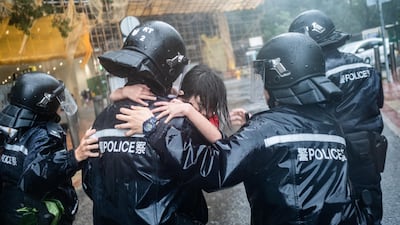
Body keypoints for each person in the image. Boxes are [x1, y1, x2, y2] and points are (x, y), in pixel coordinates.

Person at [116, 32, 364, 224]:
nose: (262, 88)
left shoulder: (264, 130)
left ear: (279, 80)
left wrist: (153, 127)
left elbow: (215, 169)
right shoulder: (332, 126)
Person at [80, 20, 219, 225]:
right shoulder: (177, 117)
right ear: (171, 70)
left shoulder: (101, 120)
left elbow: (90, 183)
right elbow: (212, 173)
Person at [288, 9, 387, 225]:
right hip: (368, 150)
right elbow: (378, 102)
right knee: (371, 207)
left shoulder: (314, 77)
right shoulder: (366, 66)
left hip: (330, 155)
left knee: (336, 211)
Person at [0, 72, 99, 225]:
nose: (60, 103)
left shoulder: (8, 130)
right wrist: (75, 157)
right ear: (45, 101)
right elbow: (34, 178)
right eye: (57, 98)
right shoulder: (45, 134)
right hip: (38, 215)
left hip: (10, 211)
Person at [112, 63, 230, 143]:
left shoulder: (200, 116)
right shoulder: (171, 100)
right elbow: (113, 96)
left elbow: (218, 139)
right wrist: (124, 91)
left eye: (211, 107)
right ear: (182, 94)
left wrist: (188, 110)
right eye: (201, 105)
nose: (205, 112)